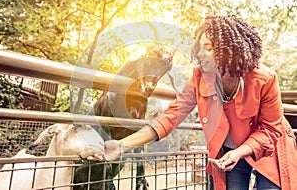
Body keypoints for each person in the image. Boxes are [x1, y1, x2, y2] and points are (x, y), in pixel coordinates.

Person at [88, 15, 297, 190]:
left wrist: (240, 151)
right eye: (199, 47)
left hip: (269, 148)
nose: (199, 54)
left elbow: (270, 129)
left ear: (230, 50)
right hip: (229, 153)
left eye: (208, 47)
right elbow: (169, 117)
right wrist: (122, 145)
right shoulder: (199, 77)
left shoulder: (265, 79)